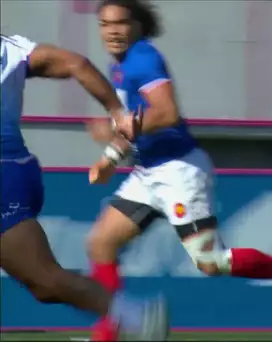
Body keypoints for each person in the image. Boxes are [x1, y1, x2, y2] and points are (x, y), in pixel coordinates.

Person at [86, 1, 272, 340]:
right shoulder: (120, 65)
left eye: (120, 23)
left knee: (211, 261)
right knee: (101, 244)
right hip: (148, 173)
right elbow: (137, 124)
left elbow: (167, 113)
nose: (112, 31)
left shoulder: (143, 59)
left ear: (138, 25)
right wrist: (113, 150)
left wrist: (115, 146)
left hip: (178, 173)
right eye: (104, 24)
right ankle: (112, 332)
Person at [0, 34, 169, 341]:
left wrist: (119, 115)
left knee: (45, 280)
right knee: (43, 284)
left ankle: (136, 317)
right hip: (17, 169)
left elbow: (75, 64)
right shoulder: (11, 47)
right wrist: (117, 112)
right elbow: (76, 63)